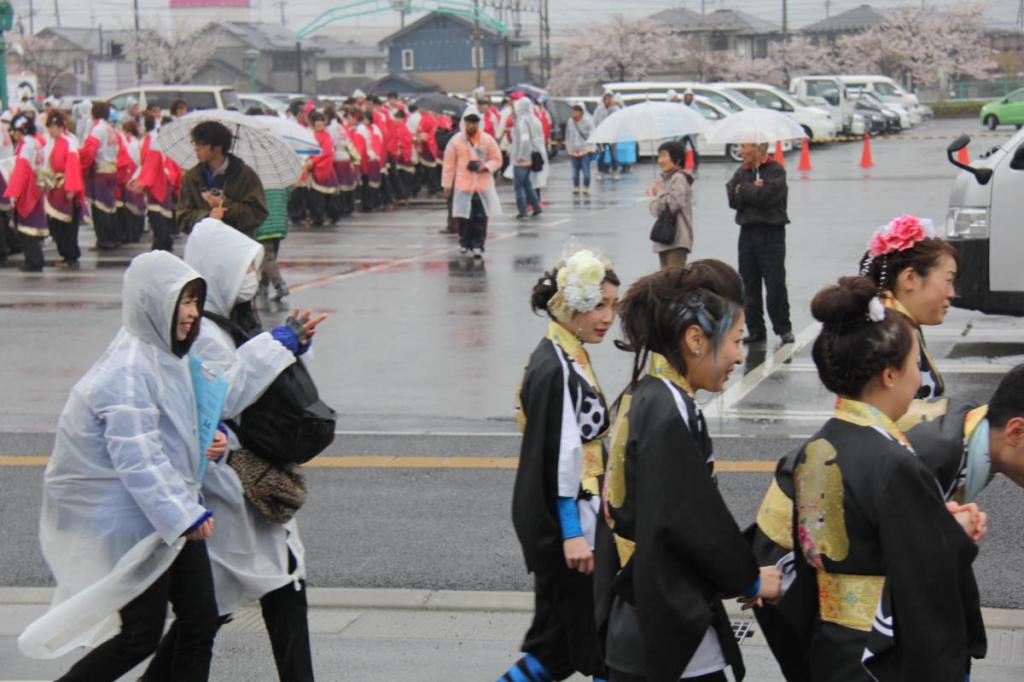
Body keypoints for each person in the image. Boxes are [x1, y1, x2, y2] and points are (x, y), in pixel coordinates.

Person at [762, 276, 986, 682]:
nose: (919, 379)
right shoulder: (895, 463)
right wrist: (956, 532)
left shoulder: (813, 450)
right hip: (880, 654)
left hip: (831, 647)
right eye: (915, 365)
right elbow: (924, 571)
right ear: (888, 374)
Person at [18, 251, 223, 680]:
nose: (191, 313)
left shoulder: (166, 356)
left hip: (168, 513)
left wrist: (210, 442)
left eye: (194, 301)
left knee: (200, 620)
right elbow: (137, 457)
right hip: (134, 522)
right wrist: (183, 513)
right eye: (182, 302)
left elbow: (170, 434)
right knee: (141, 635)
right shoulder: (128, 368)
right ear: (152, 302)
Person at [139, 219, 326, 682]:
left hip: (239, 479)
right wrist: (278, 346)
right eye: (244, 266)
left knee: (263, 587)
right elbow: (225, 391)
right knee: (228, 600)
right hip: (223, 484)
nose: (252, 277)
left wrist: (290, 345)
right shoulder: (201, 333)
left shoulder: (230, 321)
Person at [601, 261, 782, 682]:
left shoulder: (647, 394)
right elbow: (691, 524)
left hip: (642, 615)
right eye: (736, 341)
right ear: (696, 340)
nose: (740, 355)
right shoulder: (670, 410)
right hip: (668, 629)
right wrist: (751, 581)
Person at [505, 248, 620, 682]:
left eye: (613, 305)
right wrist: (573, 534)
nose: (608, 317)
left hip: (581, 521)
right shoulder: (556, 367)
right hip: (573, 531)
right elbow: (559, 460)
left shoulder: (564, 353)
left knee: (556, 651)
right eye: (598, 305)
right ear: (572, 306)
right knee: (598, 648)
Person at [858, 215, 958, 402]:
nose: (952, 293)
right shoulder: (894, 335)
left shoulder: (885, 323)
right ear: (910, 278)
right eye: (948, 280)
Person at [726, 142, 793, 345]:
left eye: (744, 147)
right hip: (747, 233)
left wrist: (744, 191)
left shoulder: (775, 170)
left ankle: (783, 328)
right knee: (748, 284)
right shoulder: (742, 171)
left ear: (758, 150)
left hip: (771, 233)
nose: (741, 151)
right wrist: (749, 189)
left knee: (775, 284)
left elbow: (768, 196)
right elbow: (731, 197)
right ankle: (755, 330)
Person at [177, 121, 267, 237]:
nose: (197, 149)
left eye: (202, 144)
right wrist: (208, 216)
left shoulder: (245, 175)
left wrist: (225, 206)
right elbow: (182, 217)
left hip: (237, 245)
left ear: (218, 147)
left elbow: (257, 214)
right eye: (195, 144)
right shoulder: (192, 177)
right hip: (203, 246)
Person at [441, 111, 502, 258]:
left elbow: (497, 159)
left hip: (482, 186)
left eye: (474, 122)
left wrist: (485, 167)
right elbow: (449, 164)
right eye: (468, 122)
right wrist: (447, 184)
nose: (471, 125)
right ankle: (463, 242)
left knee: (480, 217)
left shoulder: (487, 140)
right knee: (463, 217)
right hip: (463, 185)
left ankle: (478, 244)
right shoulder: (455, 141)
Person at [4, 113, 49, 271]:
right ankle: (36, 259)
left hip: (27, 189)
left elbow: (21, 171)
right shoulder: (37, 142)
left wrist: (14, 193)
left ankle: (33, 261)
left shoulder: (25, 145)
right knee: (33, 225)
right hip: (37, 186)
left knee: (26, 226)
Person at [41, 111, 85, 270]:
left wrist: (71, 188)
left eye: (52, 127)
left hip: (66, 187)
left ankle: (70, 254)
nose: (50, 131)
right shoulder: (54, 142)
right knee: (57, 223)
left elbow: (73, 167)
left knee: (66, 224)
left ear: (60, 127)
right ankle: (67, 253)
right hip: (56, 186)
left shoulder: (68, 142)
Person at [79, 100, 122, 250]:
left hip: (101, 170)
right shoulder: (110, 128)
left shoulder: (97, 129)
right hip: (112, 168)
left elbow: (89, 152)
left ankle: (104, 240)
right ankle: (113, 238)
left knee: (100, 208)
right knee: (110, 206)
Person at [647, 140, 694, 270]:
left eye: (663, 156)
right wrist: (656, 194)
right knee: (666, 282)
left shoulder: (678, 178)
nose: (660, 160)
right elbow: (655, 211)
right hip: (665, 239)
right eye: (659, 156)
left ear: (677, 159)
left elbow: (674, 205)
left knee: (674, 283)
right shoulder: (665, 180)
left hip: (677, 239)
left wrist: (660, 192)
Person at [511, 98, 544, 219]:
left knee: (518, 185)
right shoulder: (535, 120)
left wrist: (520, 155)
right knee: (527, 184)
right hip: (532, 156)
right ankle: (536, 206)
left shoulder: (522, 121)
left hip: (522, 158)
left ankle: (522, 210)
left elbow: (524, 139)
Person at [304, 111, 338, 227]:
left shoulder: (327, 136)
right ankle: (317, 217)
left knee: (327, 197)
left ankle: (329, 216)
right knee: (315, 197)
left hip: (323, 168)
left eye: (321, 125)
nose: (320, 127)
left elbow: (326, 152)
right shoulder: (309, 135)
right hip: (312, 169)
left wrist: (313, 161)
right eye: (317, 125)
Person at [116, 119, 146, 245]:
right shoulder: (139, 143)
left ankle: (131, 234)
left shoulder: (130, 145)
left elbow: (123, 162)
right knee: (138, 206)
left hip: (130, 177)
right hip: (138, 177)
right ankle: (137, 232)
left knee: (130, 209)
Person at [565, 105, 594, 196]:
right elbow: (568, 135)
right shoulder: (570, 122)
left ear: (581, 112)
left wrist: (591, 147)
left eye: (576, 111)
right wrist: (569, 147)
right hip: (574, 150)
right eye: (573, 111)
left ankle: (586, 187)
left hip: (585, 150)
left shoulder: (587, 122)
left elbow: (592, 135)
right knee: (575, 171)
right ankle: (576, 187)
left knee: (586, 171)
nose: (573, 113)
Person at [592, 93, 621, 181]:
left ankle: (615, 171)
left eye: (610, 99)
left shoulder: (616, 109)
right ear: (604, 100)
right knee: (601, 155)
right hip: (601, 137)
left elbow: (619, 122)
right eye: (607, 99)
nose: (609, 101)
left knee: (614, 155)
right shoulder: (599, 110)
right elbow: (595, 121)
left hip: (612, 136)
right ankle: (600, 172)